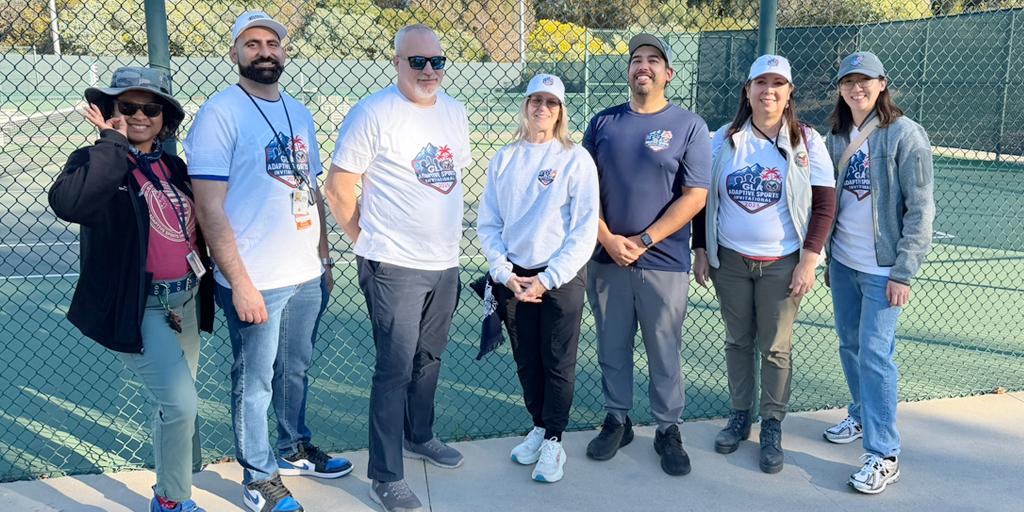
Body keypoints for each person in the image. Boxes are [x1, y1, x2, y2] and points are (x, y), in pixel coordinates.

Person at [184, 11, 352, 512]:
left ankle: (292, 445)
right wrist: (240, 283)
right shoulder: (220, 113)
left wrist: (322, 259)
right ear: (235, 53)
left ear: (283, 51)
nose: (264, 51)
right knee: (253, 381)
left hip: (304, 275)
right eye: (252, 43)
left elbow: (312, 190)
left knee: (294, 369)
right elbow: (209, 207)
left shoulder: (298, 112)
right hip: (255, 279)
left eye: (272, 42)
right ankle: (259, 479)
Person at [49, 66, 214, 512]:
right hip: (140, 304)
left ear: (164, 118)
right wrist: (111, 143)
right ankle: (172, 501)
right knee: (180, 405)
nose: (140, 116)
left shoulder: (173, 166)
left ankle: (169, 494)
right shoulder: (93, 160)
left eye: (151, 108)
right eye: (128, 106)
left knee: (174, 407)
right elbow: (72, 204)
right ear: (108, 110)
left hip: (186, 300)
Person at [324, 23, 471, 512]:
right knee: (393, 367)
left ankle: (419, 435)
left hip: (444, 262)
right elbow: (339, 186)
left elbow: (448, 182)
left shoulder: (454, 112)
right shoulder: (374, 112)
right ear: (396, 63)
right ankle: (385, 476)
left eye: (437, 61)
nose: (429, 71)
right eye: (417, 61)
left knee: (428, 358)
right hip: (394, 264)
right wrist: (367, 243)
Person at [691, 54, 836, 474]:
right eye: (761, 83)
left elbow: (824, 205)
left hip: (782, 263)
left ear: (789, 92)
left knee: (774, 347)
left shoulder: (807, 141)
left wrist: (808, 260)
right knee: (738, 341)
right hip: (731, 261)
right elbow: (704, 201)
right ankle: (740, 416)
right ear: (748, 90)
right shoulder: (724, 138)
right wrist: (702, 249)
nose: (768, 91)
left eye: (777, 84)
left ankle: (771, 423)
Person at [582, 34, 712, 476]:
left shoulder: (689, 125)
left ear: (668, 74)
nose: (644, 65)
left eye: (654, 60)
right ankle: (617, 420)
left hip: (662, 262)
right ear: (629, 72)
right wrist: (607, 239)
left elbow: (694, 196)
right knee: (611, 347)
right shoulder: (602, 123)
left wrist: (643, 240)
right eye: (637, 59)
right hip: (606, 260)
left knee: (664, 349)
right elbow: (582, 193)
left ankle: (667, 428)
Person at [821, 51, 935, 494]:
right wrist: (831, 259)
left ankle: (884, 453)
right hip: (845, 263)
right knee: (850, 345)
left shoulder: (906, 134)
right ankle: (859, 411)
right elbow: (832, 205)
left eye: (865, 80)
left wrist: (904, 272)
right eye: (849, 81)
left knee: (875, 354)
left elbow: (921, 208)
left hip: (883, 269)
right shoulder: (835, 135)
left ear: (882, 84)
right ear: (841, 88)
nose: (857, 88)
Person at [476, 74, 599, 483]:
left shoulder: (575, 158)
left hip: (559, 277)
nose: (542, 108)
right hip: (513, 279)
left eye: (551, 102)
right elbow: (489, 223)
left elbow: (583, 229)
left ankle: (554, 442)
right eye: (536, 100)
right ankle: (539, 427)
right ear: (526, 105)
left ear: (561, 110)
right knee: (527, 360)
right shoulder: (504, 158)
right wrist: (504, 273)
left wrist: (548, 278)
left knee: (557, 363)